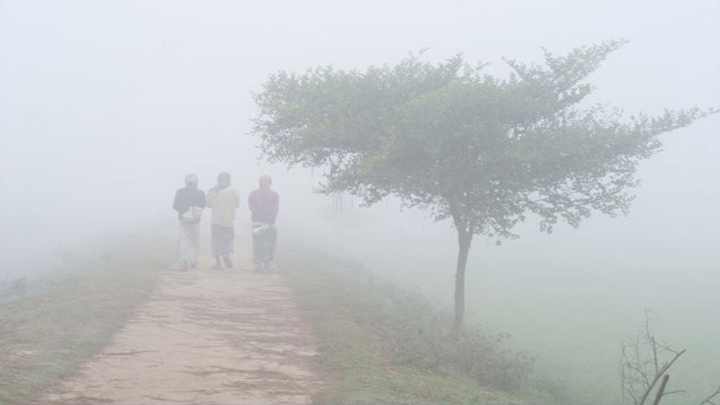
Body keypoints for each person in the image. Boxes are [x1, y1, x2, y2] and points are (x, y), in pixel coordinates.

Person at [207, 172, 240, 269]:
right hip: (229, 220)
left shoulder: (213, 191)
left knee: (216, 242)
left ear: (218, 180)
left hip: (216, 220)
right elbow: (237, 204)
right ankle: (226, 254)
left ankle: (218, 263)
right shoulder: (234, 191)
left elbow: (208, 204)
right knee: (228, 240)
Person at [173, 174, 206, 270]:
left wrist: (183, 211)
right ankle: (194, 261)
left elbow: (175, 206)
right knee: (195, 241)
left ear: (185, 182)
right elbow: (203, 205)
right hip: (195, 221)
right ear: (196, 182)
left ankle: (184, 260)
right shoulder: (200, 193)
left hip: (183, 220)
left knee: (184, 241)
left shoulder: (180, 192)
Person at [248, 174, 279, 272]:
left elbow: (251, 208)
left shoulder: (253, 194)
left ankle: (260, 263)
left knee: (261, 244)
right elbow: (275, 210)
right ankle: (264, 263)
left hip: (259, 222)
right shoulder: (274, 195)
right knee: (266, 244)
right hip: (267, 222)